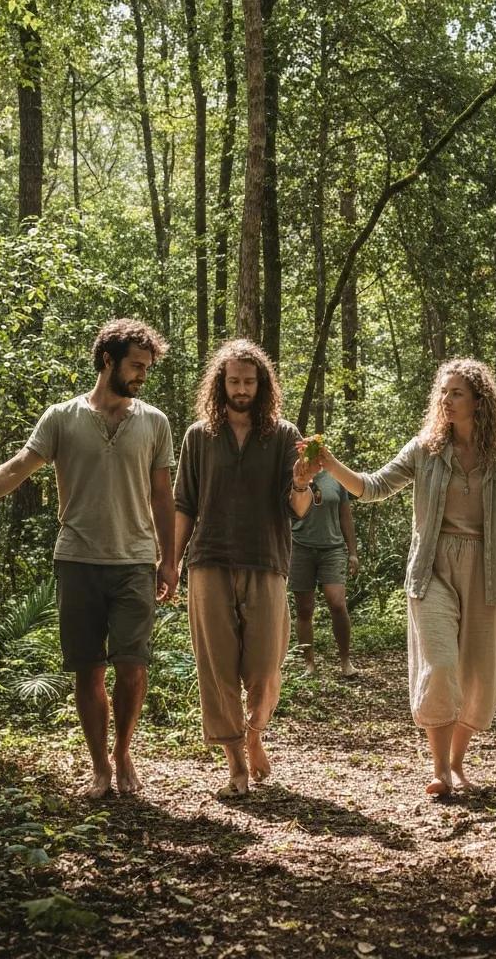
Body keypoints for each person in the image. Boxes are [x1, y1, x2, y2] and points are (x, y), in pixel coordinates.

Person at [0, 319, 177, 798]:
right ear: (108, 360)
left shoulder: (155, 422)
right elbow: (18, 467)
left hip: (134, 562)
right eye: (137, 366)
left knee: (133, 666)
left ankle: (124, 753)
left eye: (147, 368)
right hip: (78, 560)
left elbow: (163, 495)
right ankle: (101, 766)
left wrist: (168, 560)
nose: (143, 375)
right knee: (88, 668)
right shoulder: (61, 417)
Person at [309, 358, 496, 797]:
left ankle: (457, 762)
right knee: (440, 663)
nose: (446, 400)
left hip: (488, 571)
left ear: (479, 401)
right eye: (443, 392)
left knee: (477, 673)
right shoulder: (425, 448)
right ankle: (439, 769)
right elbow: (372, 486)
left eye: (456, 393)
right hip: (431, 567)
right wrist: (331, 463)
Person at [172, 339, 319, 799]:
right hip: (208, 560)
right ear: (220, 383)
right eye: (233, 381)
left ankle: (255, 730)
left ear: (262, 384)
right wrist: (169, 563)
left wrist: (300, 483)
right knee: (216, 668)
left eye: (249, 381)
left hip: (266, 560)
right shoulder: (199, 435)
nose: (241, 389)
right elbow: (184, 504)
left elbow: (298, 510)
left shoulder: (282, 435)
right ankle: (235, 757)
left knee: (265, 667)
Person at [289, 469, 360, 678]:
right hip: (299, 548)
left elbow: (345, 516)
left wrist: (353, 553)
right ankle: (309, 664)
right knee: (304, 609)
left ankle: (346, 661)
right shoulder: (293, 476)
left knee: (337, 603)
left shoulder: (336, 478)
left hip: (332, 548)